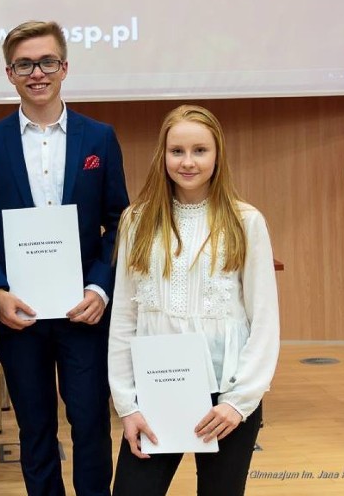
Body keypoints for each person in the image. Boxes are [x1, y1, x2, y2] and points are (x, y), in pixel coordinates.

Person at [0, 20, 130, 496]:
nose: (37, 73)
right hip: (19, 314)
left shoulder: (98, 138)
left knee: (91, 424)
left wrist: (100, 287)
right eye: (25, 64)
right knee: (35, 431)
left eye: (47, 62)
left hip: (84, 310)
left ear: (65, 68)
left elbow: (120, 221)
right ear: (9, 73)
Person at [108, 105, 280, 496]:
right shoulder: (136, 220)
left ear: (217, 155)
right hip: (157, 392)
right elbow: (123, 318)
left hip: (227, 394)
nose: (188, 162)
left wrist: (239, 402)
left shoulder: (245, 220)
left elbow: (265, 321)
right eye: (177, 151)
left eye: (200, 151)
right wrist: (127, 404)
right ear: (162, 155)